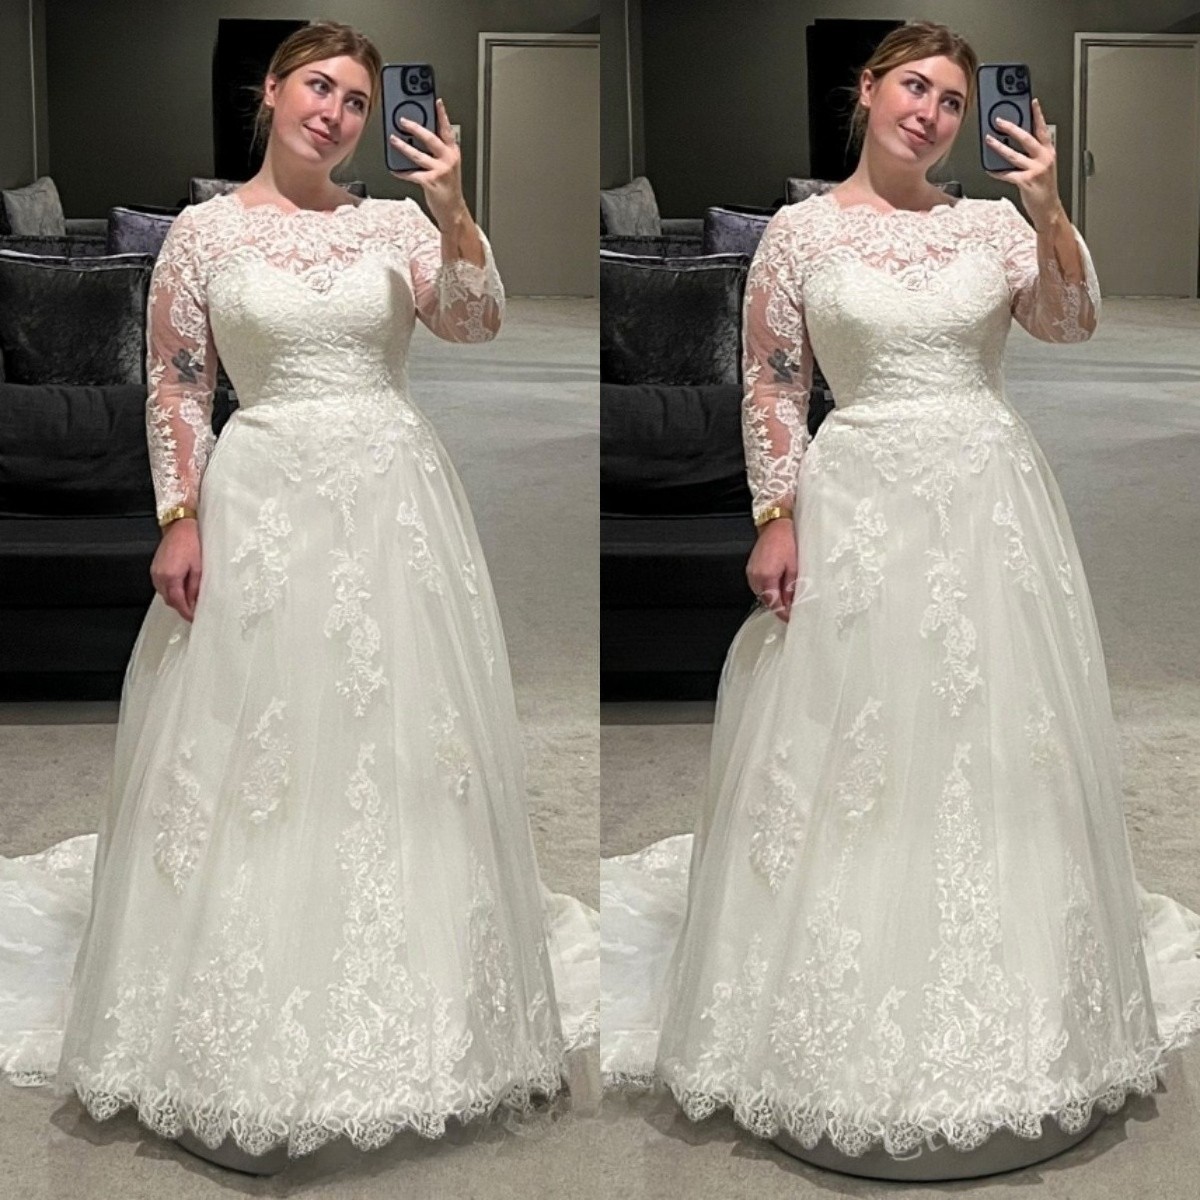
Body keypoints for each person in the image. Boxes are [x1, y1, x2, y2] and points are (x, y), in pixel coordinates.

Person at [600, 20, 1200, 1180]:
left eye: (952, 101)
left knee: (993, 728)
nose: (930, 113)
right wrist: (776, 514)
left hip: (987, 499)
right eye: (914, 87)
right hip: (860, 494)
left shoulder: (990, 224)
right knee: (858, 735)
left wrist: (1049, 209)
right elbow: (773, 383)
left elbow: (1071, 322)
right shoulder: (800, 232)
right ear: (868, 92)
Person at [0, 21, 597, 1175]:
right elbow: (177, 385)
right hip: (264, 489)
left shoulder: (393, 222)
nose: (335, 112)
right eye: (318, 87)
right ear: (270, 94)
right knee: (259, 732)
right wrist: (180, 515)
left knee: (392, 726)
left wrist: (454, 208)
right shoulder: (204, 233)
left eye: (357, 101)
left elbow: (476, 319)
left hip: (390, 496)